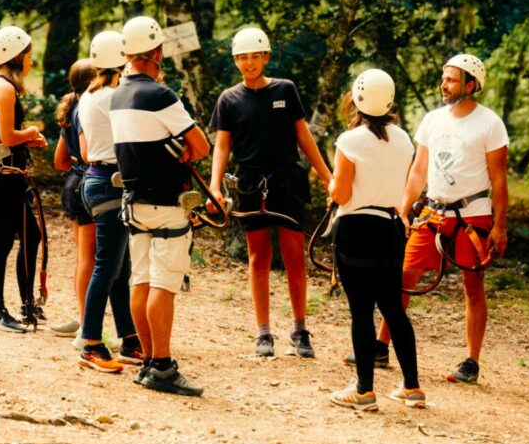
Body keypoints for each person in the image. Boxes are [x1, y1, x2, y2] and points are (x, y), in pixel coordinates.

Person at [208, 27, 333, 358]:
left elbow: (303, 136)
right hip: (250, 183)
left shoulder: (285, 90)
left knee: (294, 255)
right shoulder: (229, 99)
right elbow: (222, 146)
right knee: (258, 256)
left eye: (255, 56)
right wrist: (214, 185)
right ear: (236, 60)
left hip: (287, 180)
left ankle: (300, 329)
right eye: (243, 58)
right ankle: (263, 332)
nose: (249, 63)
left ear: (266, 57)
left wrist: (326, 175)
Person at [110, 16, 211, 396]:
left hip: (134, 202)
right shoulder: (161, 95)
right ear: (156, 52)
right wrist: (181, 153)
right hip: (165, 201)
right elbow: (200, 146)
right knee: (163, 284)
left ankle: (151, 360)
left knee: (141, 279)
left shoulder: (117, 96)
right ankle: (164, 366)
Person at [398, 53, 509, 385]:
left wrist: (500, 226)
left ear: (471, 85)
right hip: (433, 212)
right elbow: (419, 169)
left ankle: (471, 362)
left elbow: (499, 180)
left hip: (472, 215)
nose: (443, 84)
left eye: (450, 79)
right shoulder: (432, 120)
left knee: (473, 286)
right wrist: (404, 207)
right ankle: (380, 345)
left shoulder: (490, 124)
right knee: (403, 276)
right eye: (443, 78)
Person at [327, 70, 423, 411]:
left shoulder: (350, 140)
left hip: (356, 228)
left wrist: (330, 188)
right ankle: (412, 387)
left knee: (361, 311)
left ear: (356, 99)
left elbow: (340, 191)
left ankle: (364, 390)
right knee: (393, 309)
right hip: (391, 228)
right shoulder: (403, 140)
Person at [0, 26, 49, 332]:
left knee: (30, 235)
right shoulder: (4, 88)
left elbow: (1, 135)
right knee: (3, 240)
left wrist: (25, 141)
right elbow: (6, 135)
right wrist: (30, 132)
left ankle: (26, 302)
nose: (32, 60)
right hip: (1, 172)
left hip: (4, 169)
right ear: (18, 57)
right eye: (29, 55)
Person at [75, 30, 141, 373]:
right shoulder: (113, 96)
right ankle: (91, 342)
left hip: (98, 180)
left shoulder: (90, 94)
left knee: (120, 267)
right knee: (108, 267)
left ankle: (129, 338)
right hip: (109, 184)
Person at [51, 58, 97, 337]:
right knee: (88, 260)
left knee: (83, 258)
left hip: (72, 183)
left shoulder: (71, 108)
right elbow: (89, 153)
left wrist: (76, 166)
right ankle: (85, 322)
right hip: (86, 185)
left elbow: (59, 160)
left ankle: (83, 317)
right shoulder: (86, 110)